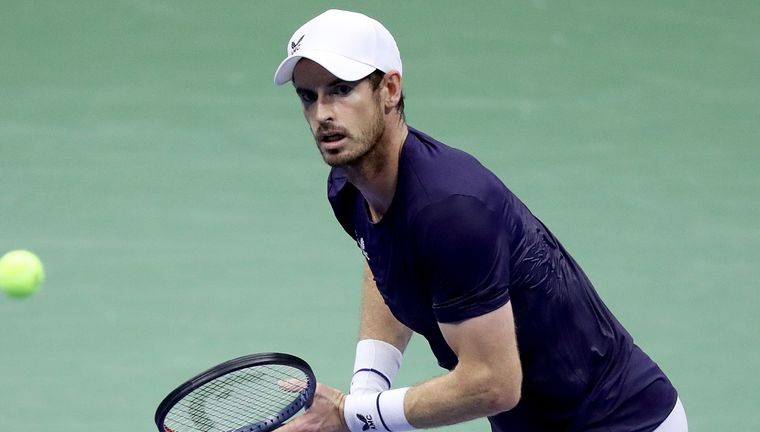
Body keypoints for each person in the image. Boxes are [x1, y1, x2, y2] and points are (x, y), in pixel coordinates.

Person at [272, 9, 688, 432]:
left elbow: (493, 384)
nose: (322, 112)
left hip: (621, 422)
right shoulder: (350, 188)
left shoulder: (451, 210)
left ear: (390, 89)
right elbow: (385, 258)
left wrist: (355, 417)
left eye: (341, 90)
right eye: (309, 96)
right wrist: (366, 389)